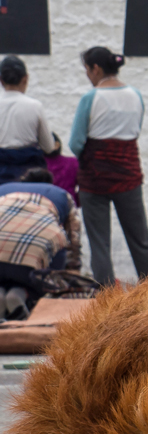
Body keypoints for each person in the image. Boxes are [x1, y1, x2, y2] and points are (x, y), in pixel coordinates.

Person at [69, 46, 148, 286]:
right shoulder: (135, 95)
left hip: (94, 177)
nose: (88, 75)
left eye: (87, 69)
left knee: (99, 244)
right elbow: (135, 129)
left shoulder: (91, 97)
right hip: (128, 175)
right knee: (140, 240)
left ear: (95, 68)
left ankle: (106, 296)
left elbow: (76, 142)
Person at [0, 167, 83, 320]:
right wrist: (71, 269)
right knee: (39, 277)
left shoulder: (4, 189)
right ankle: (22, 294)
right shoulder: (60, 194)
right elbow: (73, 237)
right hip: (30, 260)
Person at [0, 55, 55, 183]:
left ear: (1, 80)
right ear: (25, 78)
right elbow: (49, 147)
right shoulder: (35, 106)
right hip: (28, 173)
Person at [45, 134, 79, 205]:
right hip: (67, 204)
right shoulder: (73, 162)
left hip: (42, 206)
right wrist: (75, 200)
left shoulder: (34, 165)